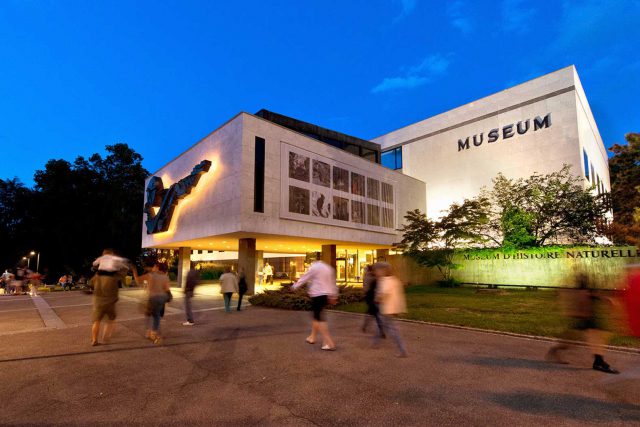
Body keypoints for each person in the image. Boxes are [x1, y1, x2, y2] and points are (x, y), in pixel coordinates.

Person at [546, 270, 618, 374]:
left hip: (588, 320)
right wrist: (583, 314)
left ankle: (599, 361)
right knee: (590, 340)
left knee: (591, 339)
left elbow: (594, 296)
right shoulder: (582, 292)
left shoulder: (586, 291)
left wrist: (606, 299)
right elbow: (583, 302)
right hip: (584, 320)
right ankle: (599, 362)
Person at [292, 256, 338, 351]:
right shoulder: (328, 268)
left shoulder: (314, 267)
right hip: (326, 295)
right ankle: (312, 337)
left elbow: (305, 277)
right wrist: (334, 295)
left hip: (317, 295)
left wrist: (295, 286)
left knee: (319, 319)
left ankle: (329, 343)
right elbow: (333, 283)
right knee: (317, 317)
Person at [90, 249, 130, 346]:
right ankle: (106, 337)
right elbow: (124, 270)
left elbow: (91, 284)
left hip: (98, 302)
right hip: (110, 302)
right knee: (110, 320)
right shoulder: (115, 276)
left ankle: (94, 340)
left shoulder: (96, 276)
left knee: (96, 321)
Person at [373, 262, 408, 357]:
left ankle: (402, 350)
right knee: (381, 324)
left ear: (382, 270)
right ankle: (375, 342)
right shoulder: (395, 280)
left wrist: (378, 298)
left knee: (392, 330)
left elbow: (384, 293)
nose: (376, 272)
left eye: (377, 270)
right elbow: (399, 296)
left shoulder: (385, 280)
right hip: (391, 308)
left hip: (387, 309)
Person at [134, 262, 171, 344]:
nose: (153, 268)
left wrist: (134, 271)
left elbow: (137, 280)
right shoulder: (165, 276)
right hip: (162, 298)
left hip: (153, 298)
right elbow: (167, 289)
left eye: (154, 266)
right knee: (156, 315)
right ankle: (154, 332)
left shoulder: (150, 275)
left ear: (157, 267)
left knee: (149, 315)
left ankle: (150, 332)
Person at [362, 265, 384, 338]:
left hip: (370, 297)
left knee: (372, 313)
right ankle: (381, 331)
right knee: (375, 314)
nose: (364, 270)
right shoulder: (371, 277)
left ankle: (365, 326)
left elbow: (366, 288)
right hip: (371, 297)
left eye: (365, 269)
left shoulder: (367, 277)